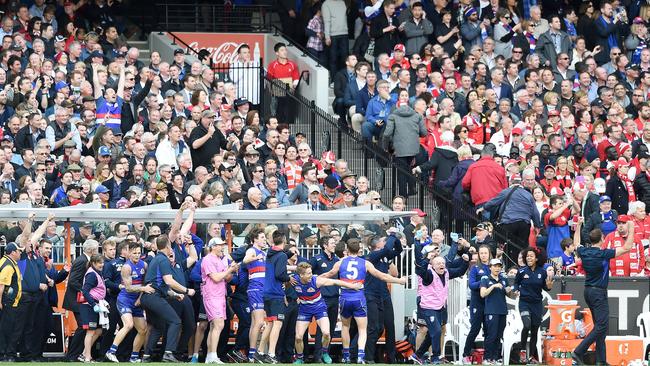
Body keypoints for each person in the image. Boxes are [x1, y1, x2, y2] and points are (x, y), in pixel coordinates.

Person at [319, 238, 407, 363]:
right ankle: (361, 355)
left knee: (345, 326)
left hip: (345, 298)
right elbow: (381, 275)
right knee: (362, 329)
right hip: (359, 298)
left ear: (347, 250)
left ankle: (346, 355)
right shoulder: (365, 262)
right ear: (359, 249)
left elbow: (329, 274)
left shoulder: (341, 262)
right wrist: (399, 281)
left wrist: (315, 278)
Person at [572, 222, 635, 365]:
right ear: (602, 239)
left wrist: (579, 225)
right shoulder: (603, 254)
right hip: (598, 293)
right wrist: (631, 229)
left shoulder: (585, 251)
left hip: (588, 291)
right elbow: (627, 247)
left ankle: (601, 361)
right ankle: (578, 351)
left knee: (599, 326)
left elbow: (576, 243)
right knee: (602, 326)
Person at [291, 261, 362, 364]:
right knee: (298, 337)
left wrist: (352, 286)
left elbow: (336, 282)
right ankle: (299, 358)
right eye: (308, 273)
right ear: (301, 275)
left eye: (311, 272)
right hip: (304, 309)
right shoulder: (294, 280)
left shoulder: (316, 281)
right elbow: (284, 282)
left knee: (326, 333)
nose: (311, 275)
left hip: (319, 307)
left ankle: (324, 352)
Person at [141, 235, 195, 363]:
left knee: (159, 326)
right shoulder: (163, 259)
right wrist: (186, 290)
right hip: (154, 297)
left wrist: (175, 295)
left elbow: (161, 284)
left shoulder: (157, 259)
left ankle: (147, 356)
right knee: (175, 321)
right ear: (168, 247)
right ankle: (168, 353)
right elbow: (169, 281)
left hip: (148, 298)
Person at [105, 242, 153, 363]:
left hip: (137, 300)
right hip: (125, 300)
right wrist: (143, 289)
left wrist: (140, 298)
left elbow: (145, 283)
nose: (137, 255)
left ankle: (134, 357)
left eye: (138, 253)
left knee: (143, 330)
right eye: (134, 253)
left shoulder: (145, 265)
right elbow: (128, 287)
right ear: (129, 253)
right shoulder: (126, 267)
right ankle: (111, 351)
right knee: (128, 325)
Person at [201, 237, 239, 364]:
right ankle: (212, 355)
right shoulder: (207, 260)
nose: (222, 247)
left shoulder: (219, 260)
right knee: (219, 325)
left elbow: (226, 278)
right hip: (212, 296)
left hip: (220, 296)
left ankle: (210, 356)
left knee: (214, 326)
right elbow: (216, 278)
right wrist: (229, 269)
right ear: (213, 246)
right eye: (220, 245)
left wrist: (232, 269)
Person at [514, 247, 554, 364]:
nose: (529, 258)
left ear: (536, 258)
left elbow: (546, 287)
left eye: (531, 256)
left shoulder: (542, 272)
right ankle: (522, 352)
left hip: (537, 304)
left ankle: (531, 356)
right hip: (524, 303)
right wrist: (516, 289)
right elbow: (516, 283)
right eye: (527, 256)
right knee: (526, 325)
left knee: (535, 330)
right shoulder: (521, 271)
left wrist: (549, 286)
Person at [480, 258, 516, 365]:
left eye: (499, 266)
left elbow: (509, 294)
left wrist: (511, 292)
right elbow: (483, 294)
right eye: (495, 266)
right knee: (491, 335)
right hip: (491, 311)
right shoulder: (485, 278)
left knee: (499, 335)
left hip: (502, 311)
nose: (497, 268)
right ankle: (487, 358)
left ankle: (495, 358)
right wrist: (493, 286)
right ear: (490, 267)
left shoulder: (503, 279)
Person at [462, 244, 491, 363]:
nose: (484, 255)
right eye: (482, 253)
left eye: (486, 253)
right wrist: (483, 282)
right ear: (479, 254)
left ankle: (489, 357)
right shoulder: (474, 268)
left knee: (489, 330)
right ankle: (465, 354)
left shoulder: (494, 267)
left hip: (490, 303)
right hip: (477, 303)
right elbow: (471, 285)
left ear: (489, 254)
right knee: (475, 328)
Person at [243, 228, 268, 362]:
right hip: (255, 289)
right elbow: (246, 260)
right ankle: (252, 354)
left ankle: (252, 354)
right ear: (255, 239)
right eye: (262, 237)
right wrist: (254, 257)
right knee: (258, 322)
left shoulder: (263, 253)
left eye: (265, 237)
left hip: (262, 289)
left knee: (256, 323)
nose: (264, 240)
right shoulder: (252, 250)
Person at [79, 253, 106, 363]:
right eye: (100, 263)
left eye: (103, 262)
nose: (102, 265)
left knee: (98, 331)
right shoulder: (92, 274)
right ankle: (87, 357)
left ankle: (84, 353)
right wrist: (93, 304)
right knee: (90, 332)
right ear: (93, 263)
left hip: (97, 305)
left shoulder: (96, 273)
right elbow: (85, 291)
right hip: (89, 306)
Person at [0, 242, 24, 362]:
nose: (20, 252)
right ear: (13, 252)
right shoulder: (8, 265)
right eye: (19, 251)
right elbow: (1, 286)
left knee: (7, 329)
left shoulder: (8, 262)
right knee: (7, 330)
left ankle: (7, 354)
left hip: (10, 302)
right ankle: (5, 355)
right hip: (8, 303)